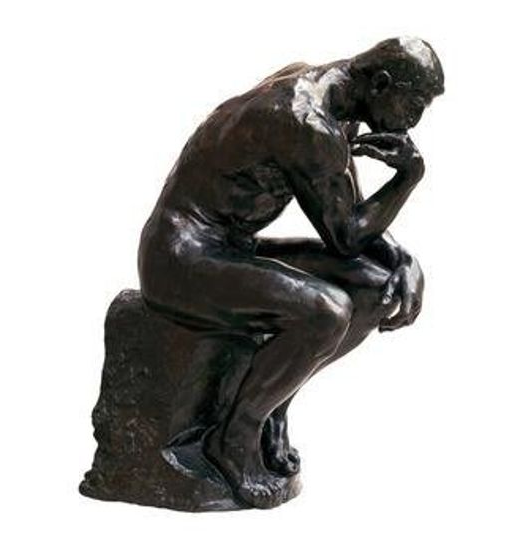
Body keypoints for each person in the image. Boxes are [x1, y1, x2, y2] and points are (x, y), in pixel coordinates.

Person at [137, 37, 444, 508]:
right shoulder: (306, 121)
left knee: (376, 288)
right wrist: (408, 177)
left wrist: (403, 261)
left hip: (227, 247)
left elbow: (346, 212)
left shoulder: (337, 102)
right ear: (381, 84)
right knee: (326, 311)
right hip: (180, 258)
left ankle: (272, 402)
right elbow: (346, 235)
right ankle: (232, 437)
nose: (414, 121)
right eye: (414, 104)